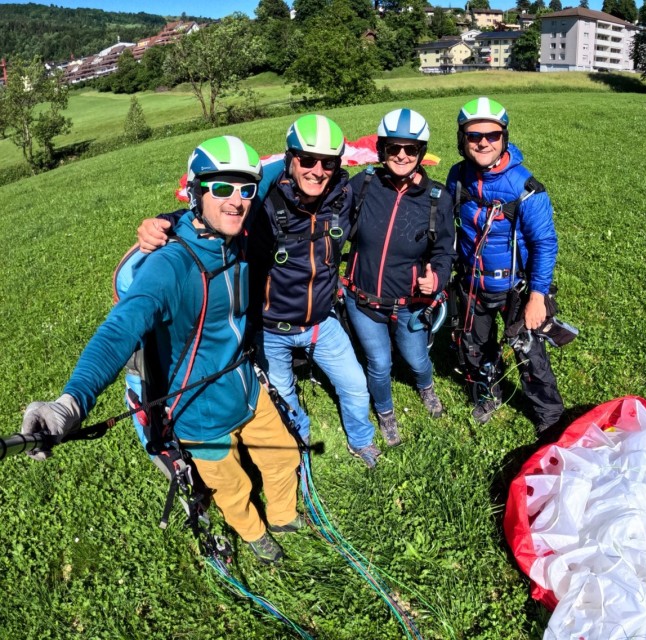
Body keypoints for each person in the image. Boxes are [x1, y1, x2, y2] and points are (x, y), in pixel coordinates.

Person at [21, 136, 301, 564]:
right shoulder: (170, 265)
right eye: (221, 188)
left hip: (246, 386)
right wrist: (72, 401)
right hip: (199, 412)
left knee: (284, 457)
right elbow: (120, 329)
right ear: (194, 192)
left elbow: (280, 164)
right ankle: (253, 532)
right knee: (232, 487)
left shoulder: (237, 227)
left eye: (245, 189)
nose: (237, 200)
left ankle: (283, 516)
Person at [139, 115, 381, 468]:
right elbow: (213, 212)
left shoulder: (344, 196)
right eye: (307, 159)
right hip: (271, 331)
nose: (317, 170)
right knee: (284, 400)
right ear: (290, 158)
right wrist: (165, 222)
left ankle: (361, 441)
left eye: (328, 162)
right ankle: (300, 445)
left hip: (321, 323)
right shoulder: (263, 201)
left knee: (356, 387)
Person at [446, 97, 565, 435]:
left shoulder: (526, 189)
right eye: (473, 136)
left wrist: (537, 297)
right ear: (462, 139)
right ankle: (489, 394)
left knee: (530, 354)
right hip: (472, 285)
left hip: (514, 287)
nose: (483, 142)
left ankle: (550, 416)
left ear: (504, 138)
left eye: (492, 135)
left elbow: (545, 243)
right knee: (474, 347)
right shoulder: (457, 177)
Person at [342, 108, 455, 444]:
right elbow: (332, 225)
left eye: (411, 149)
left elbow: (445, 252)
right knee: (378, 363)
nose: (402, 155)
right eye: (394, 148)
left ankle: (426, 387)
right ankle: (387, 413)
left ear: (421, 153)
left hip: (409, 304)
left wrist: (437, 280)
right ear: (382, 150)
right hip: (363, 301)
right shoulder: (362, 185)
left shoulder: (437, 199)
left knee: (417, 359)